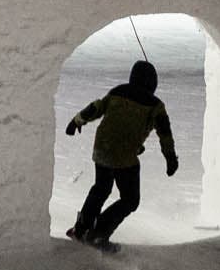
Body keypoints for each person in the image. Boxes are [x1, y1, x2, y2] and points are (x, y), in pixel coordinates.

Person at [64, 58, 178, 248]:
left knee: (100, 188)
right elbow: (165, 133)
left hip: (102, 148)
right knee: (130, 199)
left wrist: (76, 121)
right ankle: (99, 233)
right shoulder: (155, 105)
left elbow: (96, 107)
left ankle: (81, 229)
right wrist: (170, 158)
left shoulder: (117, 92)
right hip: (124, 155)